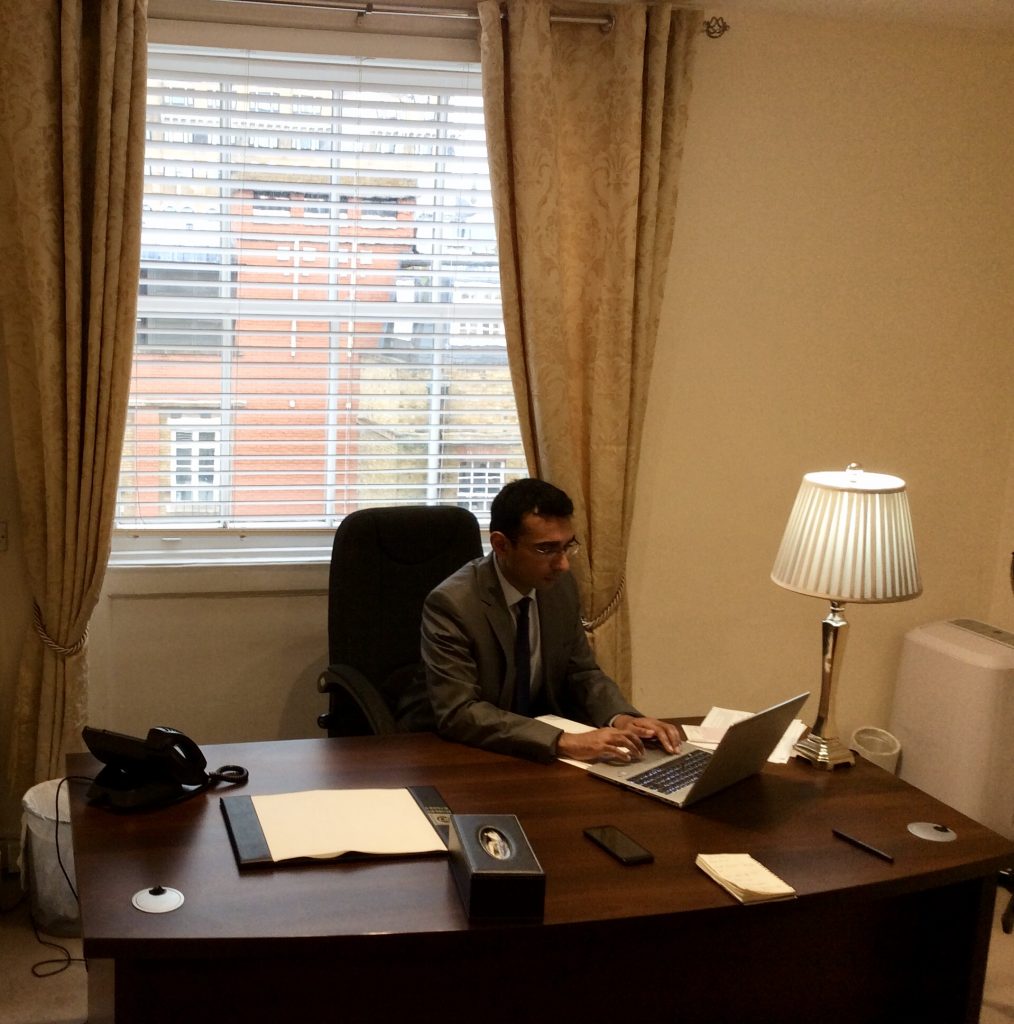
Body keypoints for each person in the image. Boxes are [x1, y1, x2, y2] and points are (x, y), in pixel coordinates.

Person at [421, 478, 681, 763]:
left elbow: (581, 672)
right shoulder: (453, 603)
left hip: (538, 749)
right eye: (546, 549)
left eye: (567, 546)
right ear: (501, 545)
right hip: (471, 752)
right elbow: (459, 712)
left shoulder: (559, 586)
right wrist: (562, 740)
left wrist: (621, 717)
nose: (563, 564)